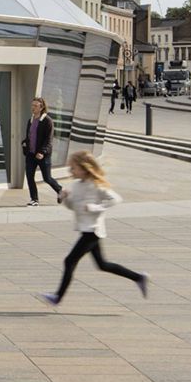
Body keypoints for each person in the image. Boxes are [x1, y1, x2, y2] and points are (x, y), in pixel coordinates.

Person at [39, 151, 148, 307]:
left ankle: (57, 297)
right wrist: (64, 198)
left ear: (84, 168)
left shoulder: (96, 186)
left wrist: (96, 207)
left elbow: (116, 199)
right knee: (102, 264)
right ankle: (139, 278)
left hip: (93, 231)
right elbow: (74, 207)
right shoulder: (76, 185)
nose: (70, 171)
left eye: (73, 168)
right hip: (86, 230)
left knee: (69, 261)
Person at [22, 96, 62, 206]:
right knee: (29, 176)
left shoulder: (47, 121)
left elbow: (48, 140)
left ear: (41, 107)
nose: (33, 107)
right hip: (31, 154)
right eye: (32, 105)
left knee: (47, 178)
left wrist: (42, 152)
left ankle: (60, 190)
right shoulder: (30, 120)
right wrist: (24, 143)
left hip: (43, 155)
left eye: (36, 106)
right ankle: (34, 199)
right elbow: (29, 137)